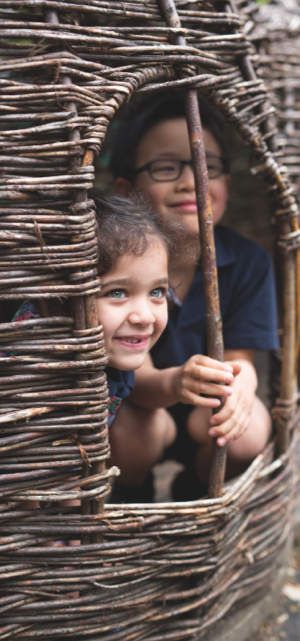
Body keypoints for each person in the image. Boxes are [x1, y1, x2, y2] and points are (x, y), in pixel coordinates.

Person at [110, 93, 279, 499]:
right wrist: (177, 382)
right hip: (139, 405)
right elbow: (140, 377)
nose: (191, 180)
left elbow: (241, 359)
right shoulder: (118, 264)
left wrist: (242, 384)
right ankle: (134, 497)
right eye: (166, 167)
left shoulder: (247, 261)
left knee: (249, 429)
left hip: (204, 412)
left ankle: (198, 493)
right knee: (132, 434)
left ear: (225, 182)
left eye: (208, 166)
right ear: (126, 190)